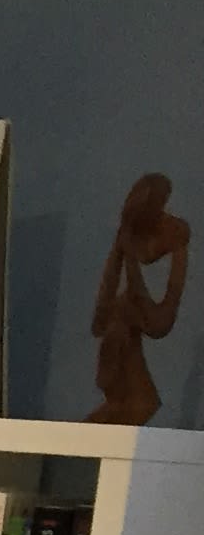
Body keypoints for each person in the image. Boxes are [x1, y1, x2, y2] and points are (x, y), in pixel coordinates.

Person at [86, 171, 188, 426]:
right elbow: (101, 315)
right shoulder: (129, 234)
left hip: (153, 318)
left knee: (121, 316)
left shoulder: (174, 232)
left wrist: (130, 257)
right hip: (133, 319)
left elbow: (162, 320)